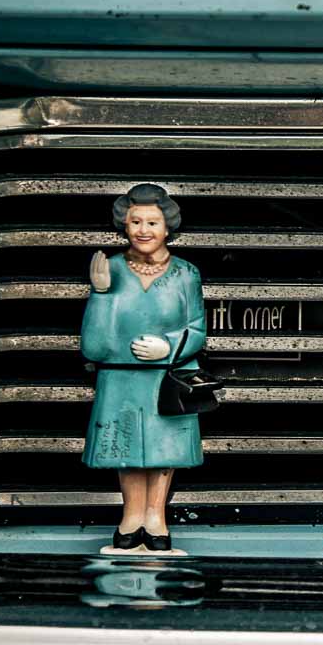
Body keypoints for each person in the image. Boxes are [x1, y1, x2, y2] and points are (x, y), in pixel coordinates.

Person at [80, 183, 206, 555]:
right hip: (121, 379)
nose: (143, 230)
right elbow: (93, 346)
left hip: (167, 378)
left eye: (152, 222)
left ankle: (156, 518)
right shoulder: (111, 269)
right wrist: (101, 294)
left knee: (165, 449)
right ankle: (132, 516)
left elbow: (197, 329)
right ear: (125, 225)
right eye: (136, 221)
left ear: (167, 228)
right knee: (127, 449)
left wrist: (168, 347)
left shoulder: (186, 274)